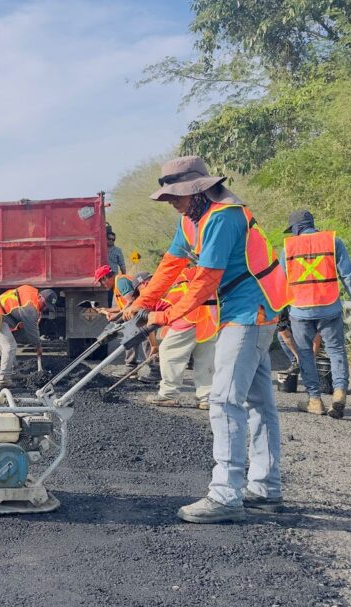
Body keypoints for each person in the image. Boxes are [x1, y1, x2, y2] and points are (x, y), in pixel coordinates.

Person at [124, 155, 291, 524]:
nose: (173, 203)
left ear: (199, 189)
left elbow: (204, 281)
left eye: (177, 196)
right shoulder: (192, 219)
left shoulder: (224, 216)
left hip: (251, 310)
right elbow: (171, 263)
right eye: (169, 197)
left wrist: (166, 315)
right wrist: (142, 301)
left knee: (224, 399)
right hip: (244, 309)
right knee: (258, 403)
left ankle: (225, 494)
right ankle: (265, 487)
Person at [281, 209, 351, 418]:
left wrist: (280, 314)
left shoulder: (288, 247)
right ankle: (339, 393)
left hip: (300, 310)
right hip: (329, 307)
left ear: (296, 228)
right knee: (336, 350)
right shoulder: (332, 241)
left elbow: (280, 282)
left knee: (304, 353)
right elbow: (348, 275)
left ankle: (314, 400)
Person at [145, 265, 218, 410]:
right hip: (210, 319)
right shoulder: (202, 272)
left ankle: (168, 395)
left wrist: (151, 310)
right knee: (205, 358)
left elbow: (172, 299)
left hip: (190, 318)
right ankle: (207, 398)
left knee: (169, 351)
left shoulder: (182, 278)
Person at [0, 285, 58, 388]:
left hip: (1, 315)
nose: (44, 308)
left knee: (8, 345)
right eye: (44, 304)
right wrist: (38, 346)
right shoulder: (30, 307)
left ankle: (12, 372)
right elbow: (32, 330)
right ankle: (3, 379)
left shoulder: (32, 294)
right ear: (40, 297)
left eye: (46, 307)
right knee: (10, 346)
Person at [111, 270, 153, 375]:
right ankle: (131, 368)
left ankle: (155, 371)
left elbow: (130, 301)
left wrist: (118, 317)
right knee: (130, 338)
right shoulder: (119, 285)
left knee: (148, 342)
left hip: (143, 313)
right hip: (138, 313)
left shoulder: (121, 282)